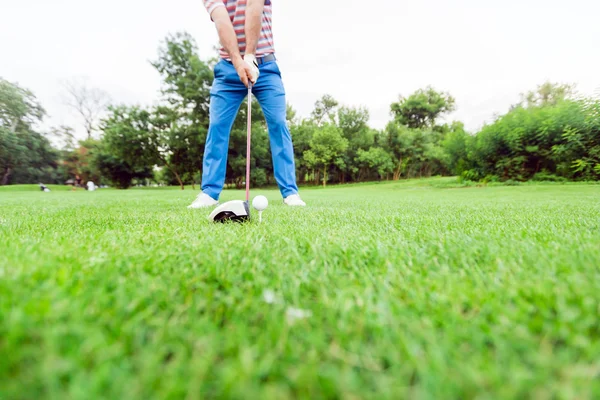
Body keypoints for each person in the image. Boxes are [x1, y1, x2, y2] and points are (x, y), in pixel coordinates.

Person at [188, 0, 306, 209]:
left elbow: (254, 6)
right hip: (227, 70)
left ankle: (290, 192)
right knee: (217, 127)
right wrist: (238, 61)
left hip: (265, 66)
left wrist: (249, 55)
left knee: (278, 124)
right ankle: (209, 193)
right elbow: (222, 20)